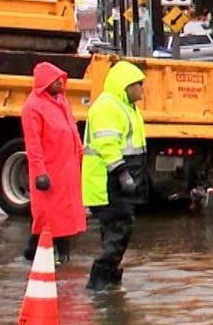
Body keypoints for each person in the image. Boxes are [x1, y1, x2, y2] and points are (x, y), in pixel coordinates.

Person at [82, 61, 147, 291]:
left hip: (117, 182)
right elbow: (107, 143)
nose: (142, 89)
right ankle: (100, 280)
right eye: (139, 84)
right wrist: (121, 173)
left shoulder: (127, 107)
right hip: (107, 183)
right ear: (126, 85)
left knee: (115, 230)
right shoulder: (108, 106)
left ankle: (107, 281)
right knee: (120, 228)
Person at [21, 62, 86, 265]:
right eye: (55, 80)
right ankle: (48, 252)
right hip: (51, 170)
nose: (60, 83)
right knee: (50, 216)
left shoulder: (61, 101)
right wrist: (40, 172)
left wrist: (81, 156)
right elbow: (33, 144)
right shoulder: (33, 107)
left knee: (63, 216)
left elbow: (72, 131)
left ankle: (54, 253)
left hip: (67, 169)